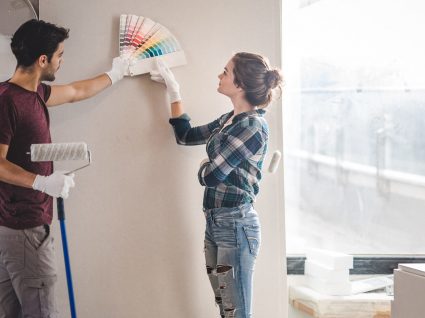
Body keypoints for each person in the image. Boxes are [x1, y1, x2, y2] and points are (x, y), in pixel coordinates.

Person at [0, 19, 128, 317]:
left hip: (16, 229)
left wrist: (116, 73)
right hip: (25, 230)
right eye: (59, 55)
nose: (62, 60)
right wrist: (40, 183)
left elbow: (76, 91)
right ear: (43, 60)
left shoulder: (35, 95)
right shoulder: (7, 102)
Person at [150, 53, 283, 318]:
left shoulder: (253, 126)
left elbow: (211, 176)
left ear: (240, 84)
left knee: (236, 313)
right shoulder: (229, 120)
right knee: (226, 309)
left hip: (236, 225)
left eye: (225, 71)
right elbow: (185, 136)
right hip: (216, 223)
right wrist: (173, 89)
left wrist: (204, 167)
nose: (219, 76)